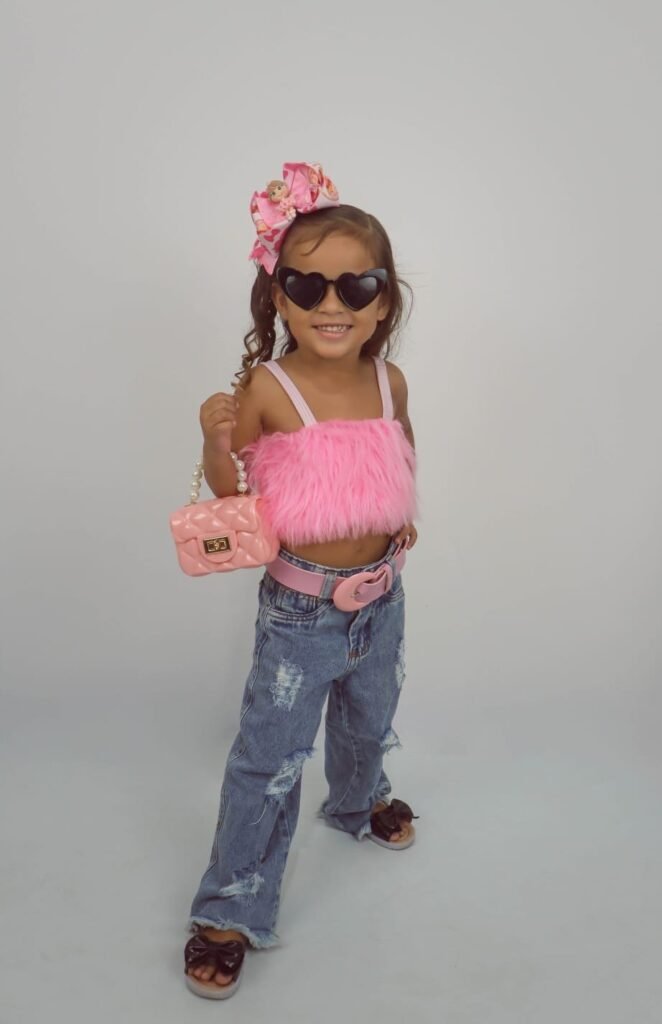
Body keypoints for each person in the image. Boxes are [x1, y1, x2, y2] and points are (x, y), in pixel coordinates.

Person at [183, 162, 419, 1000]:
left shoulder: (389, 381)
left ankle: (357, 801)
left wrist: (400, 516)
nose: (332, 303)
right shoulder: (269, 388)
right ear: (278, 298)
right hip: (300, 611)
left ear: (383, 302)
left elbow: (400, 447)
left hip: (381, 598)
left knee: (367, 720)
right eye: (306, 284)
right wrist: (216, 442)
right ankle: (229, 909)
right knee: (269, 760)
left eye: (356, 285)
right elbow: (232, 496)